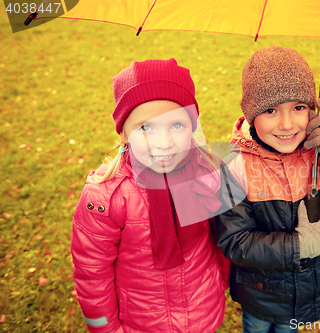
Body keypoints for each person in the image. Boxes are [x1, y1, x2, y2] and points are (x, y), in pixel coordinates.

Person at [215, 46, 320, 333]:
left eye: (298, 108)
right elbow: (234, 241)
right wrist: (297, 246)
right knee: (256, 327)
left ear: (312, 109)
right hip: (260, 294)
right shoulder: (234, 167)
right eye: (270, 110)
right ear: (250, 114)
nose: (287, 124)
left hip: (311, 290)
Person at [71, 59, 229, 333]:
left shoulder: (206, 171)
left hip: (203, 309)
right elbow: (92, 272)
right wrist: (105, 328)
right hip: (142, 322)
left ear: (192, 128)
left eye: (177, 126)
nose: (164, 142)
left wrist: (225, 281)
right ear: (123, 134)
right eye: (145, 128)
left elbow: (224, 236)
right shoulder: (108, 196)